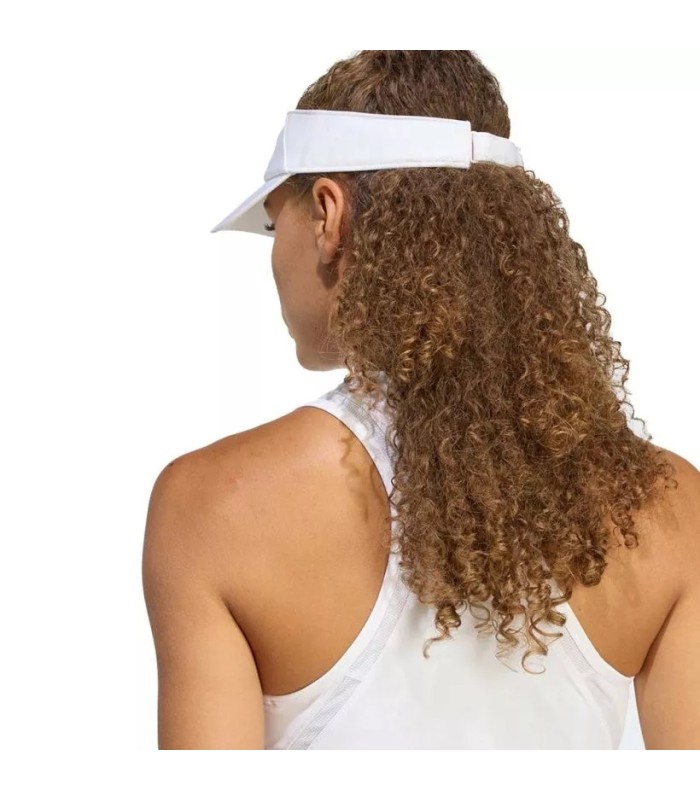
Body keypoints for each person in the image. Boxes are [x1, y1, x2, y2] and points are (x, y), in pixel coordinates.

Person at [142, 50, 700, 749]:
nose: (273, 255)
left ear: (328, 214)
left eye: (273, 222)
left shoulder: (215, 506)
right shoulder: (670, 507)